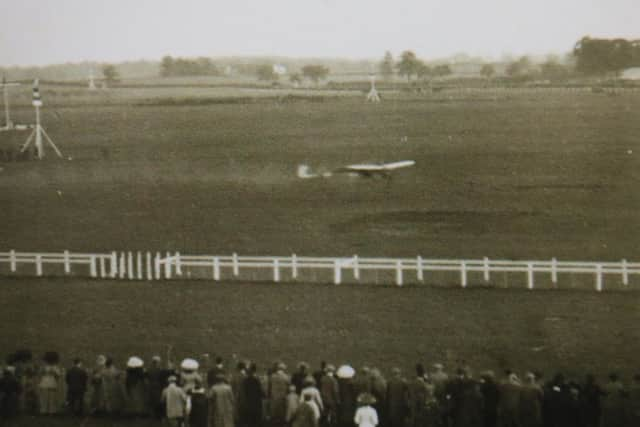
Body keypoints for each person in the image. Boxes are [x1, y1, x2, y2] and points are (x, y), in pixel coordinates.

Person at [270, 362, 291, 426]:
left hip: (274, 397)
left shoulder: (272, 376)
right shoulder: (286, 377)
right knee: (282, 414)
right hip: (283, 397)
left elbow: (270, 387)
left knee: (274, 413)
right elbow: (289, 387)